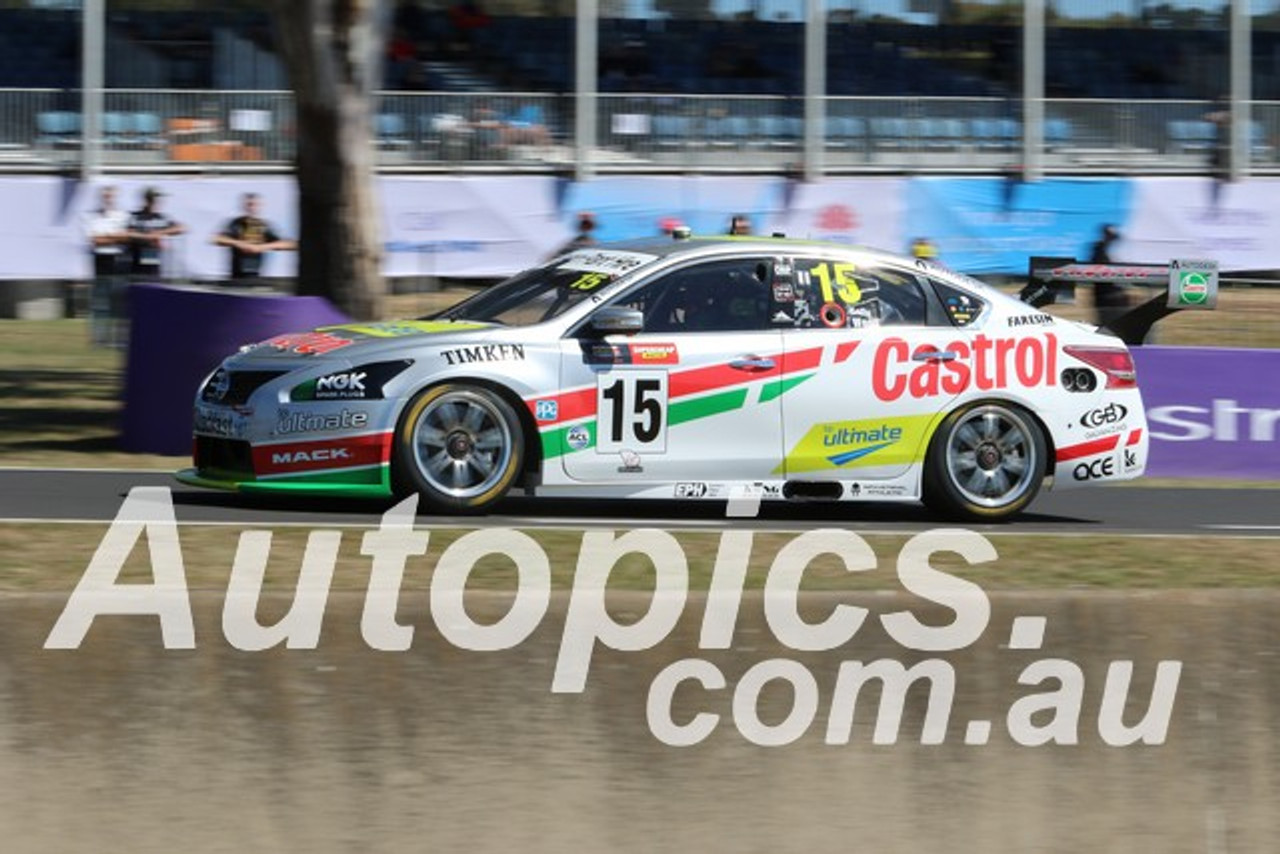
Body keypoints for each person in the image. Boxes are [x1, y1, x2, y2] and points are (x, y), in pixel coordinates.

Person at [83, 185, 131, 347]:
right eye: (105, 196)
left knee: (119, 303)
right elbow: (95, 240)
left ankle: (119, 340)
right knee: (100, 303)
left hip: (118, 261)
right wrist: (114, 237)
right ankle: (99, 339)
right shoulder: (93, 217)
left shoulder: (123, 216)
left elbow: (126, 238)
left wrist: (107, 237)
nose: (108, 199)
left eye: (110, 196)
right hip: (100, 261)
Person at [213, 192, 295, 284]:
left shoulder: (264, 226)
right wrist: (239, 244)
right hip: (235, 275)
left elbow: (290, 244)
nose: (251, 208)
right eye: (249, 205)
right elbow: (217, 239)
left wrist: (262, 247)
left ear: (260, 206)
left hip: (256, 275)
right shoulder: (235, 223)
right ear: (243, 206)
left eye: (254, 205)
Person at [127, 186, 185, 280]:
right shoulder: (135, 217)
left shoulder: (162, 217)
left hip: (156, 262)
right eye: (153, 200)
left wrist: (159, 233)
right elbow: (129, 233)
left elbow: (181, 228)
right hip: (137, 260)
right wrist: (148, 237)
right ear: (146, 201)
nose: (156, 203)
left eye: (157, 200)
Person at [1088, 224, 1128, 327]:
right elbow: (1103, 275)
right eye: (1110, 237)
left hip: (1110, 299)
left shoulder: (1106, 251)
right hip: (1106, 299)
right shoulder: (1098, 250)